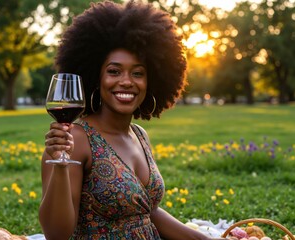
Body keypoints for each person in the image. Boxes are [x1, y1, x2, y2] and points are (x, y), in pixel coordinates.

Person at [39, 1, 228, 240]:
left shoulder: (139, 135)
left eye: (137, 73)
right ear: (96, 78)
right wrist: (60, 164)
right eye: (114, 71)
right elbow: (57, 235)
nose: (127, 81)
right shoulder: (76, 139)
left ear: (151, 81)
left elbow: (149, 212)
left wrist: (207, 239)